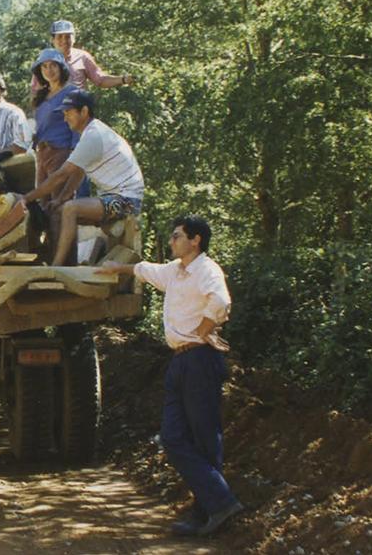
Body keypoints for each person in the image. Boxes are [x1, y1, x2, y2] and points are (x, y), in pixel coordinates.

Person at [98, 216, 242, 537]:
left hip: (200, 360)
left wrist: (203, 333)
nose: (172, 240)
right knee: (174, 437)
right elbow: (143, 269)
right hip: (180, 361)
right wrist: (114, 268)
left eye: (177, 236)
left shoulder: (207, 270)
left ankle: (209, 511)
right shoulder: (175, 272)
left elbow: (221, 302)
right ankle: (216, 504)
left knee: (204, 439)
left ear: (196, 241)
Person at [22, 90, 144, 266]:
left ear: (84, 111)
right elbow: (79, 172)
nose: (65, 119)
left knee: (70, 209)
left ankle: (57, 267)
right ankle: (58, 260)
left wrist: (27, 198)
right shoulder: (90, 133)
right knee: (59, 209)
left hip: (127, 201)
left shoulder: (93, 136)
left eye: (69, 113)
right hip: (116, 198)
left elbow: (61, 175)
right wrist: (61, 198)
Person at [29, 48, 83, 211]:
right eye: (44, 66)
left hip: (61, 153)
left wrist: (74, 154)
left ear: (61, 68)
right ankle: (50, 238)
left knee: (59, 204)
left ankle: (64, 237)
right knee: (43, 205)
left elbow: (78, 126)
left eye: (53, 65)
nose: (49, 70)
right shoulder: (41, 95)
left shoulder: (72, 92)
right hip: (42, 154)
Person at [30, 19, 135, 95]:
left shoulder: (83, 57)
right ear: (52, 40)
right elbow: (35, 91)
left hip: (79, 113)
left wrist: (123, 80)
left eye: (68, 37)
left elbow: (100, 80)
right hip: (54, 113)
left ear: (74, 39)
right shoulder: (45, 61)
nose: (64, 41)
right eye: (60, 37)